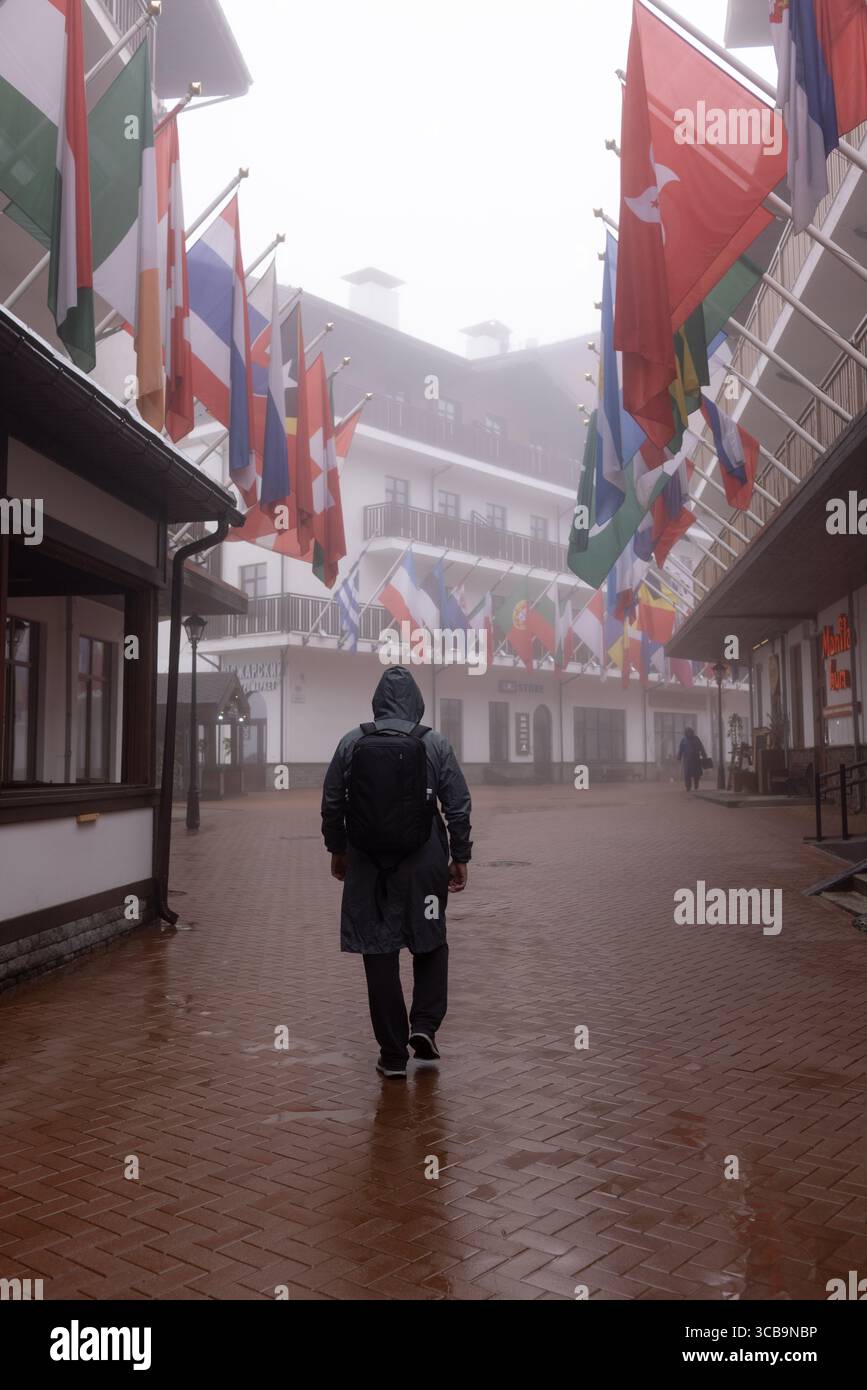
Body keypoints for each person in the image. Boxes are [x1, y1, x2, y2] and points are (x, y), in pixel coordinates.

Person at [321, 665, 472, 1079]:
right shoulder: (434, 743)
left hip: (370, 866)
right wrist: (459, 855)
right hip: (424, 864)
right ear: (417, 703)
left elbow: (332, 801)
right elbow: (457, 803)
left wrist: (338, 849)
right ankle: (423, 1026)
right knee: (431, 941)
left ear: (377, 700)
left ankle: (392, 1054)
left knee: (378, 950)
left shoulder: (352, 742)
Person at [677, 725, 708, 792]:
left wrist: (704, 755)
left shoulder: (696, 738)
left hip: (696, 759)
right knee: (687, 774)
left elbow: (701, 747)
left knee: (696, 774)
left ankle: (696, 785)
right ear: (686, 733)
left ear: (692, 732)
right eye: (688, 732)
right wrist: (679, 757)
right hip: (687, 760)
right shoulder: (684, 740)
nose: (689, 733)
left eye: (690, 732)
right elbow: (681, 749)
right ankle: (688, 786)